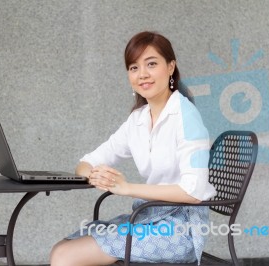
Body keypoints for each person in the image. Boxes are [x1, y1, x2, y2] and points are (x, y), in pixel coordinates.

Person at [50, 31, 217, 266]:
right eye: (134, 67)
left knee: (65, 255)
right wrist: (97, 175)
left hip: (180, 229)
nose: (142, 75)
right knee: (61, 248)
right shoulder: (137, 120)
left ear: (170, 67)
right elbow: (88, 161)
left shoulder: (186, 117)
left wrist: (126, 188)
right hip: (148, 217)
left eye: (151, 64)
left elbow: (194, 192)